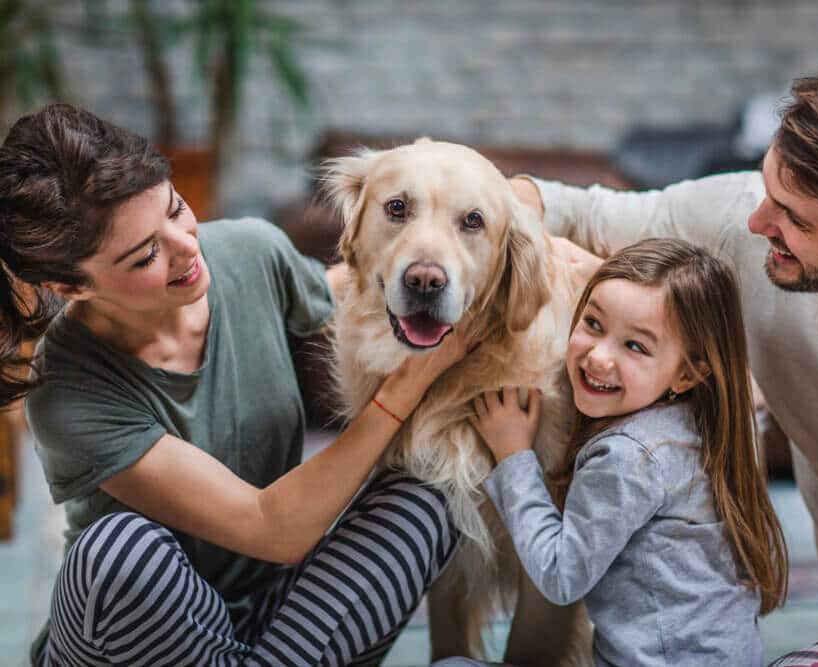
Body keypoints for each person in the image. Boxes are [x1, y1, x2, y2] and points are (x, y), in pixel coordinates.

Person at [509, 59, 818, 664]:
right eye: (769, 189)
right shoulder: (744, 220)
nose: (757, 222)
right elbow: (559, 207)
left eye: (796, 218)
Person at [0, 104, 470, 666]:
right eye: (147, 254)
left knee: (431, 490)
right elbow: (273, 528)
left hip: (279, 624)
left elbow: (355, 287)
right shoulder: (67, 393)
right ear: (70, 286)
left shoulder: (250, 251)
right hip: (141, 639)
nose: (185, 247)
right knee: (114, 552)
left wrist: (497, 230)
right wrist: (407, 386)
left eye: (175, 209)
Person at [438, 238, 788, 666]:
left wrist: (513, 456)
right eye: (593, 323)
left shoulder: (629, 459)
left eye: (635, 346)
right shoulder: (705, 427)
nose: (599, 357)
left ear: (687, 374)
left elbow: (560, 576)